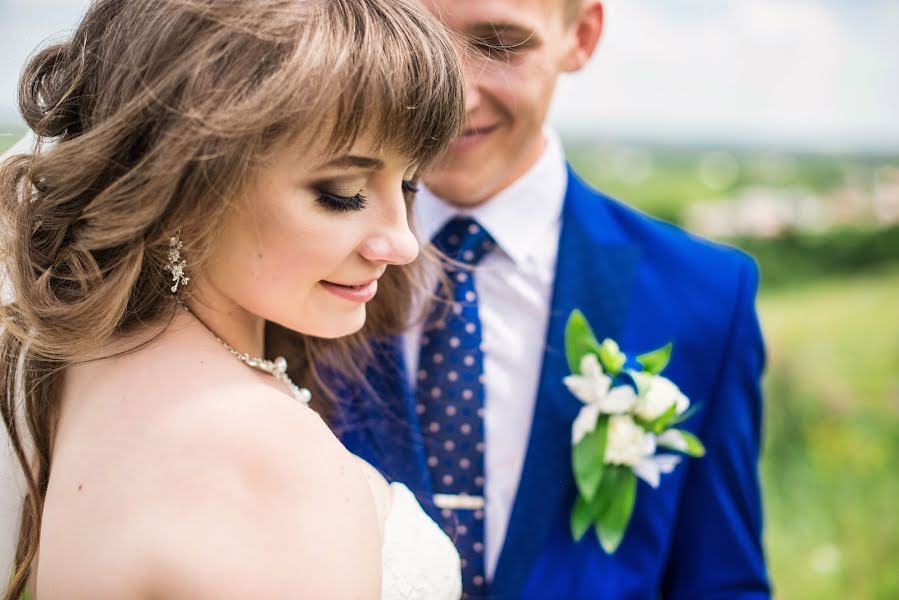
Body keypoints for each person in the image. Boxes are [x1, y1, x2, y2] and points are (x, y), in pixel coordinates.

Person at [0, 0, 468, 598]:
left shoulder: (81, 366)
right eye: (344, 193)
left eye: (408, 185)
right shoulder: (259, 453)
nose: (402, 241)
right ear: (180, 184)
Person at [333, 0, 773, 598]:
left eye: (500, 44)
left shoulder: (706, 297)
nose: (455, 95)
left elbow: (721, 582)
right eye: (419, 39)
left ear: (581, 35)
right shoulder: (292, 271)